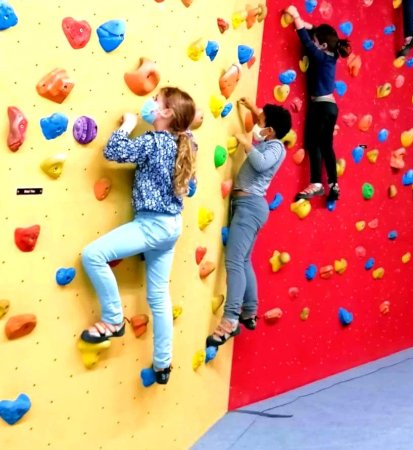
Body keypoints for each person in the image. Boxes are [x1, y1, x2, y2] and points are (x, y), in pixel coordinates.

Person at [80, 86, 196, 385]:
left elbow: (114, 151)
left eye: (156, 100)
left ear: (166, 112)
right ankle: (163, 364)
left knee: (93, 255)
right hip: (171, 225)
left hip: (152, 225)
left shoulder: (155, 141)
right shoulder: (183, 142)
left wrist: (127, 126)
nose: (150, 103)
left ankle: (113, 319)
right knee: (158, 296)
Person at [206, 99, 292, 347]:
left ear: (270, 131)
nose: (256, 126)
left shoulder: (275, 147)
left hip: (249, 206)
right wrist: (254, 111)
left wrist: (246, 144)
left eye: (261, 123)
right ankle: (249, 312)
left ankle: (230, 319)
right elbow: (264, 127)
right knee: (243, 261)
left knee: (234, 263)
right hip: (249, 206)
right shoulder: (272, 140)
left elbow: (262, 162)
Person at [285, 5, 351, 204]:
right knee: (327, 145)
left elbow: (306, 41)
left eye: (317, 42)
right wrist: (308, 25)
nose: (313, 42)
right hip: (331, 107)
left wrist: (296, 16)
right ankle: (333, 183)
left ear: (322, 46)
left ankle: (316, 182)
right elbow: (315, 34)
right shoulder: (332, 55)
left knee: (313, 144)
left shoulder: (320, 57)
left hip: (320, 107)